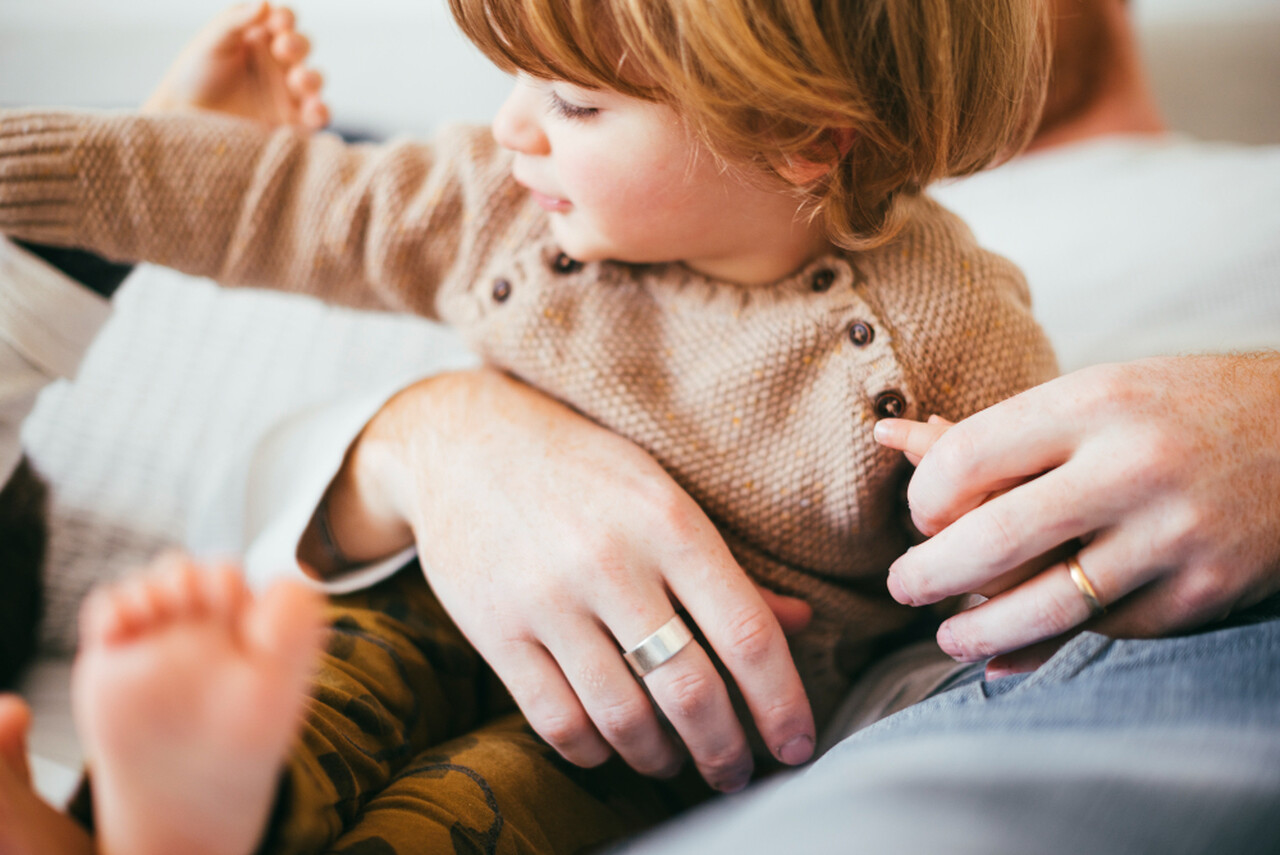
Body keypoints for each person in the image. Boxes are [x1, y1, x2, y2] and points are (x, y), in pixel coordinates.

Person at [0, 1, 1059, 854]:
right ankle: (178, 816)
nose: (511, 126)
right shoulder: (501, 209)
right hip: (437, 592)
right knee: (299, 699)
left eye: (572, 103)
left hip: (663, 723)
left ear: (801, 142)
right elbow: (265, 195)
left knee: (467, 810)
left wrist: (985, 536)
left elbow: (1033, 594)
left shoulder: (947, 329)